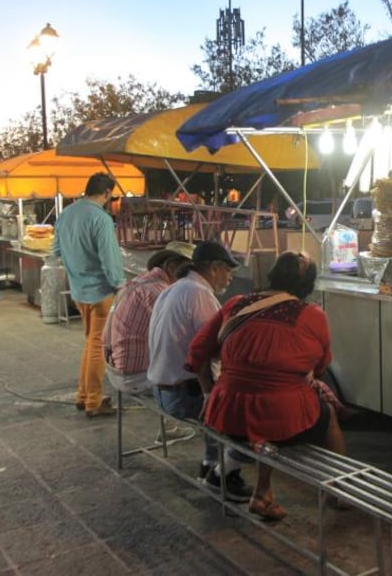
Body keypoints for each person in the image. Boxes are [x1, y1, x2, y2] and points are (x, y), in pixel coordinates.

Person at [186, 251, 347, 521]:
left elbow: (197, 352)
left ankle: (263, 493)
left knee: (269, 411)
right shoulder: (312, 314)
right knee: (324, 414)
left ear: (273, 275)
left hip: (225, 415)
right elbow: (320, 366)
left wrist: (209, 394)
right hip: (280, 418)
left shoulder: (236, 304)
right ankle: (338, 491)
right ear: (308, 285)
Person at [147, 240, 252, 501]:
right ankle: (225, 474)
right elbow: (208, 350)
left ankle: (210, 463)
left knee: (219, 395)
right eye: (228, 270)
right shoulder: (199, 294)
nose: (230, 277)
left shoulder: (175, 288)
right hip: (183, 394)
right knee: (253, 410)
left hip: (163, 390)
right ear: (214, 268)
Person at [53, 172, 125, 418]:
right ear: (107, 193)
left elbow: (56, 250)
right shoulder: (100, 218)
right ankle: (94, 400)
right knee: (98, 346)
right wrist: (120, 285)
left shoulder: (66, 214)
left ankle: (83, 395)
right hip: (100, 292)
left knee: (90, 342)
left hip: (78, 290)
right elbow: (109, 258)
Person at [103, 247, 192, 443]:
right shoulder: (159, 291)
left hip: (116, 368)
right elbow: (176, 336)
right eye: (187, 271)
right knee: (202, 376)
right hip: (133, 376)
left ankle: (170, 424)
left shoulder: (141, 282)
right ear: (172, 267)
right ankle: (207, 434)